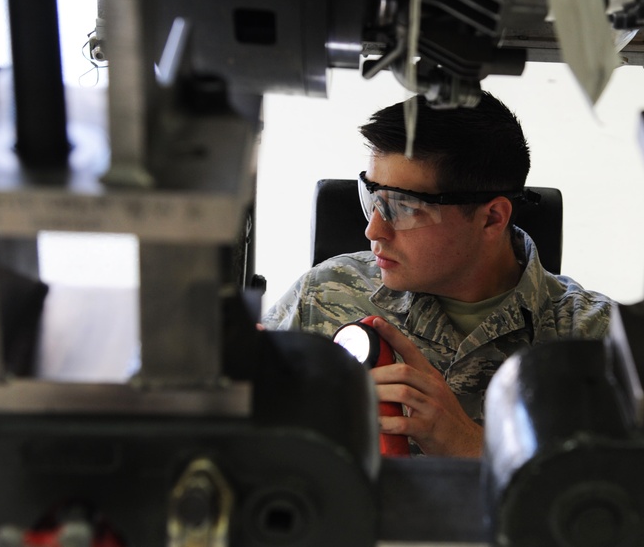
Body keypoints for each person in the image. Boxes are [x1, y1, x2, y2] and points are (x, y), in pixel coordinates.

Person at [262, 93, 614, 457]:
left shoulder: (596, 339)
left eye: (402, 207)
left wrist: (470, 445)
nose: (373, 230)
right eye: (372, 197)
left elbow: (629, 501)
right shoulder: (323, 295)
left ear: (492, 218)